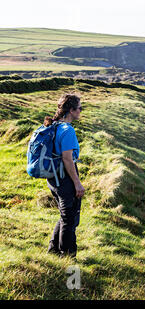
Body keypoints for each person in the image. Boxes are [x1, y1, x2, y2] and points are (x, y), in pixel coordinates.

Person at [44, 93, 85, 257]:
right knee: (70, 219)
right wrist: (77, 183)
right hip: (64, 176)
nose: (81, 111)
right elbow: (68, 159)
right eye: (79, 108)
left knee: (65, 215)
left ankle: (53, 250)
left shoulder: (54, 126)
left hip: (53, 176)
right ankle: (67, 255)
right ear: (71, 110)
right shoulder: (67, 130)